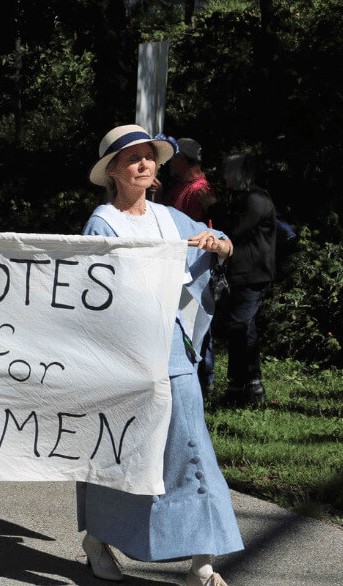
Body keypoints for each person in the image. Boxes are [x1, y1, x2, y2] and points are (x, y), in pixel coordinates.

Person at [78, 125, 243, 586]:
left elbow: (223, 242)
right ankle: (98, 539)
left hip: (171, 347)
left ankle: (201, 559)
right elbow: (91, 293)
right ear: (113, 171)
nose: (144, 164)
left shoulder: (173, 218)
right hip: (121, 353)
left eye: (149, 157)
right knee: (122, 448)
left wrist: (219, 244)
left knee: (189, 443)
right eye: (132, 158)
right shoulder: (101, 223)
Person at [202, 152, 276, 405]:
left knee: (239, 326)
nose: (223, 176)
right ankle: (246, 388)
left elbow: (233, 231)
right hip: (245, 273)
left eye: (228, 171)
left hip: (252, 274)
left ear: (240, 173)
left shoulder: (256, 200)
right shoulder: (245, 198)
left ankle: (244, 387)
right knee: (243, 328)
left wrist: (212, 207)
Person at [164, 138, 216, 223]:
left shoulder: (199, 190)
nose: (170, 161)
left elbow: (193, 229)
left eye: (172, 156)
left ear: (182, 159)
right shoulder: (180, 184)